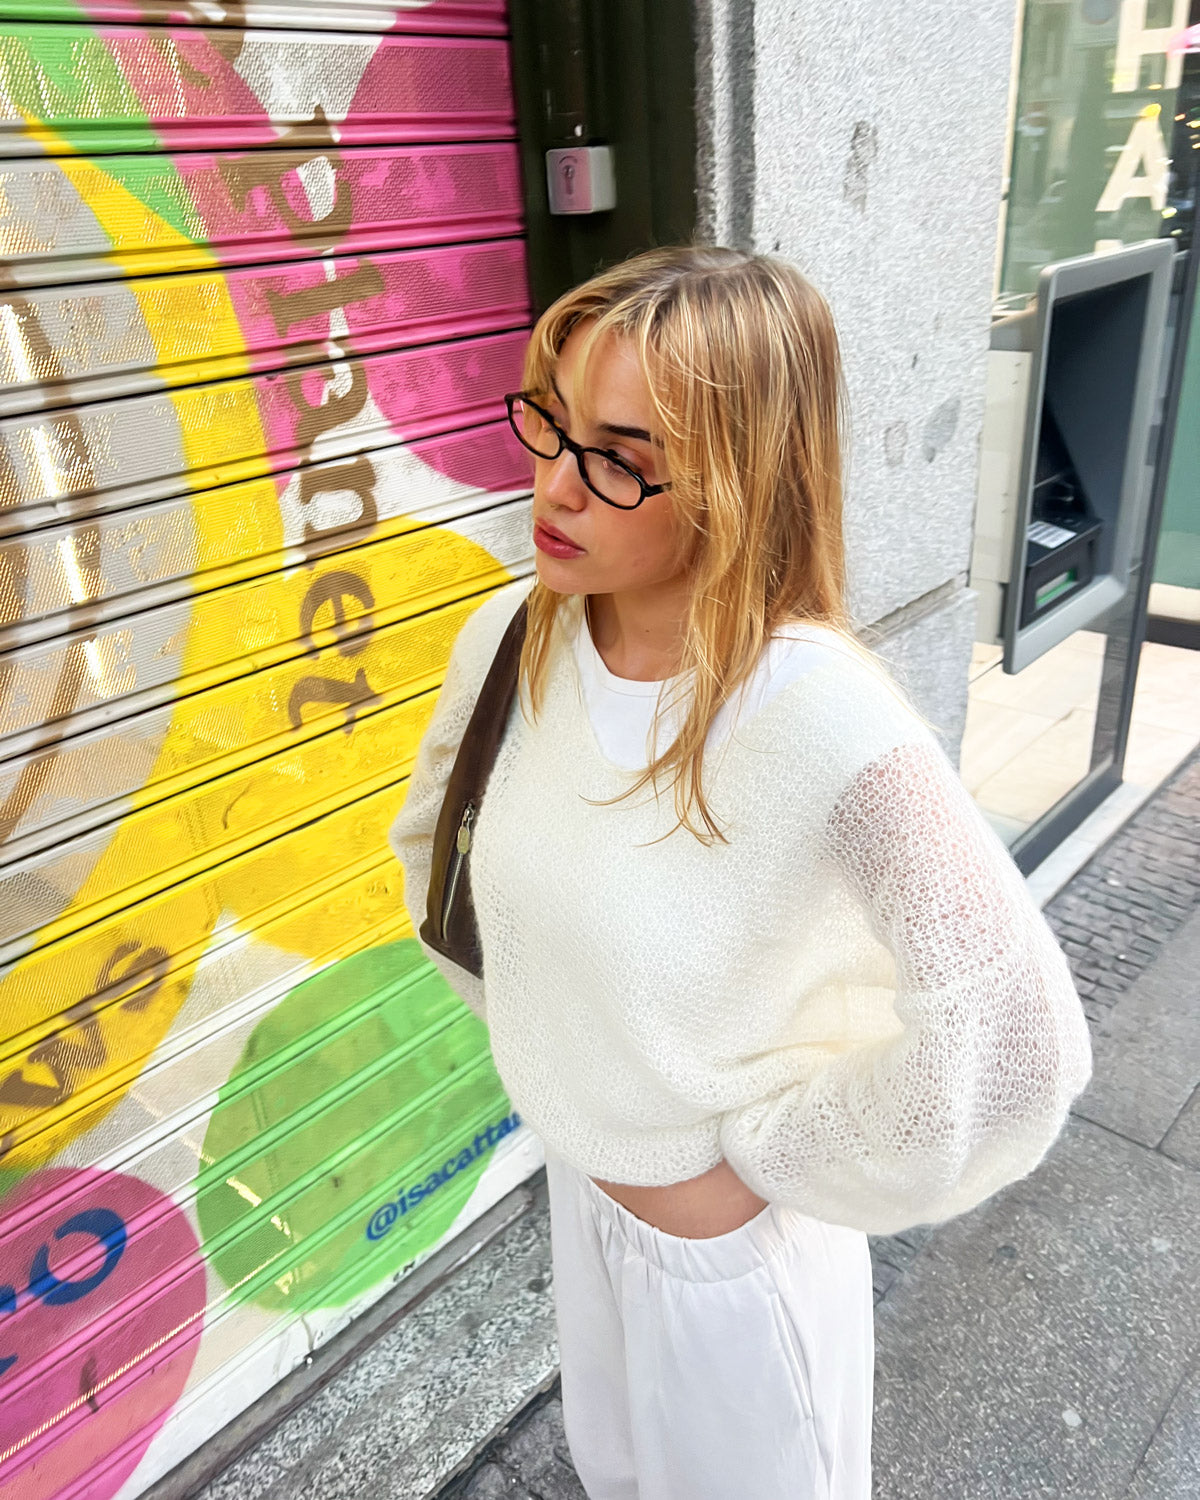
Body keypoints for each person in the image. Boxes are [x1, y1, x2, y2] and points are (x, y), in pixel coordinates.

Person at [389, 245, 1093, 1500]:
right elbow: (436, 855)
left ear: (739, 478)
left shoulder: (817, 715)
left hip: (728, 1264)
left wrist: (769, 1159)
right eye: (553, 422)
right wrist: (566, 1061)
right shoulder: (513, 635)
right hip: (584, 1193)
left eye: (620, 456)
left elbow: (1013, 1045)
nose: (556, 484)